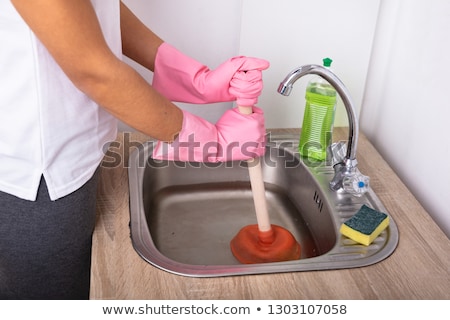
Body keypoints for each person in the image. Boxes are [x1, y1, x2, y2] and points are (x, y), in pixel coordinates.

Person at [0, 0, 269, 299]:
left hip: (71, 155)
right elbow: (94, 71)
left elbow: (94, 9)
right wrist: (211, 141)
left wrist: (192, 78)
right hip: (36, 176)